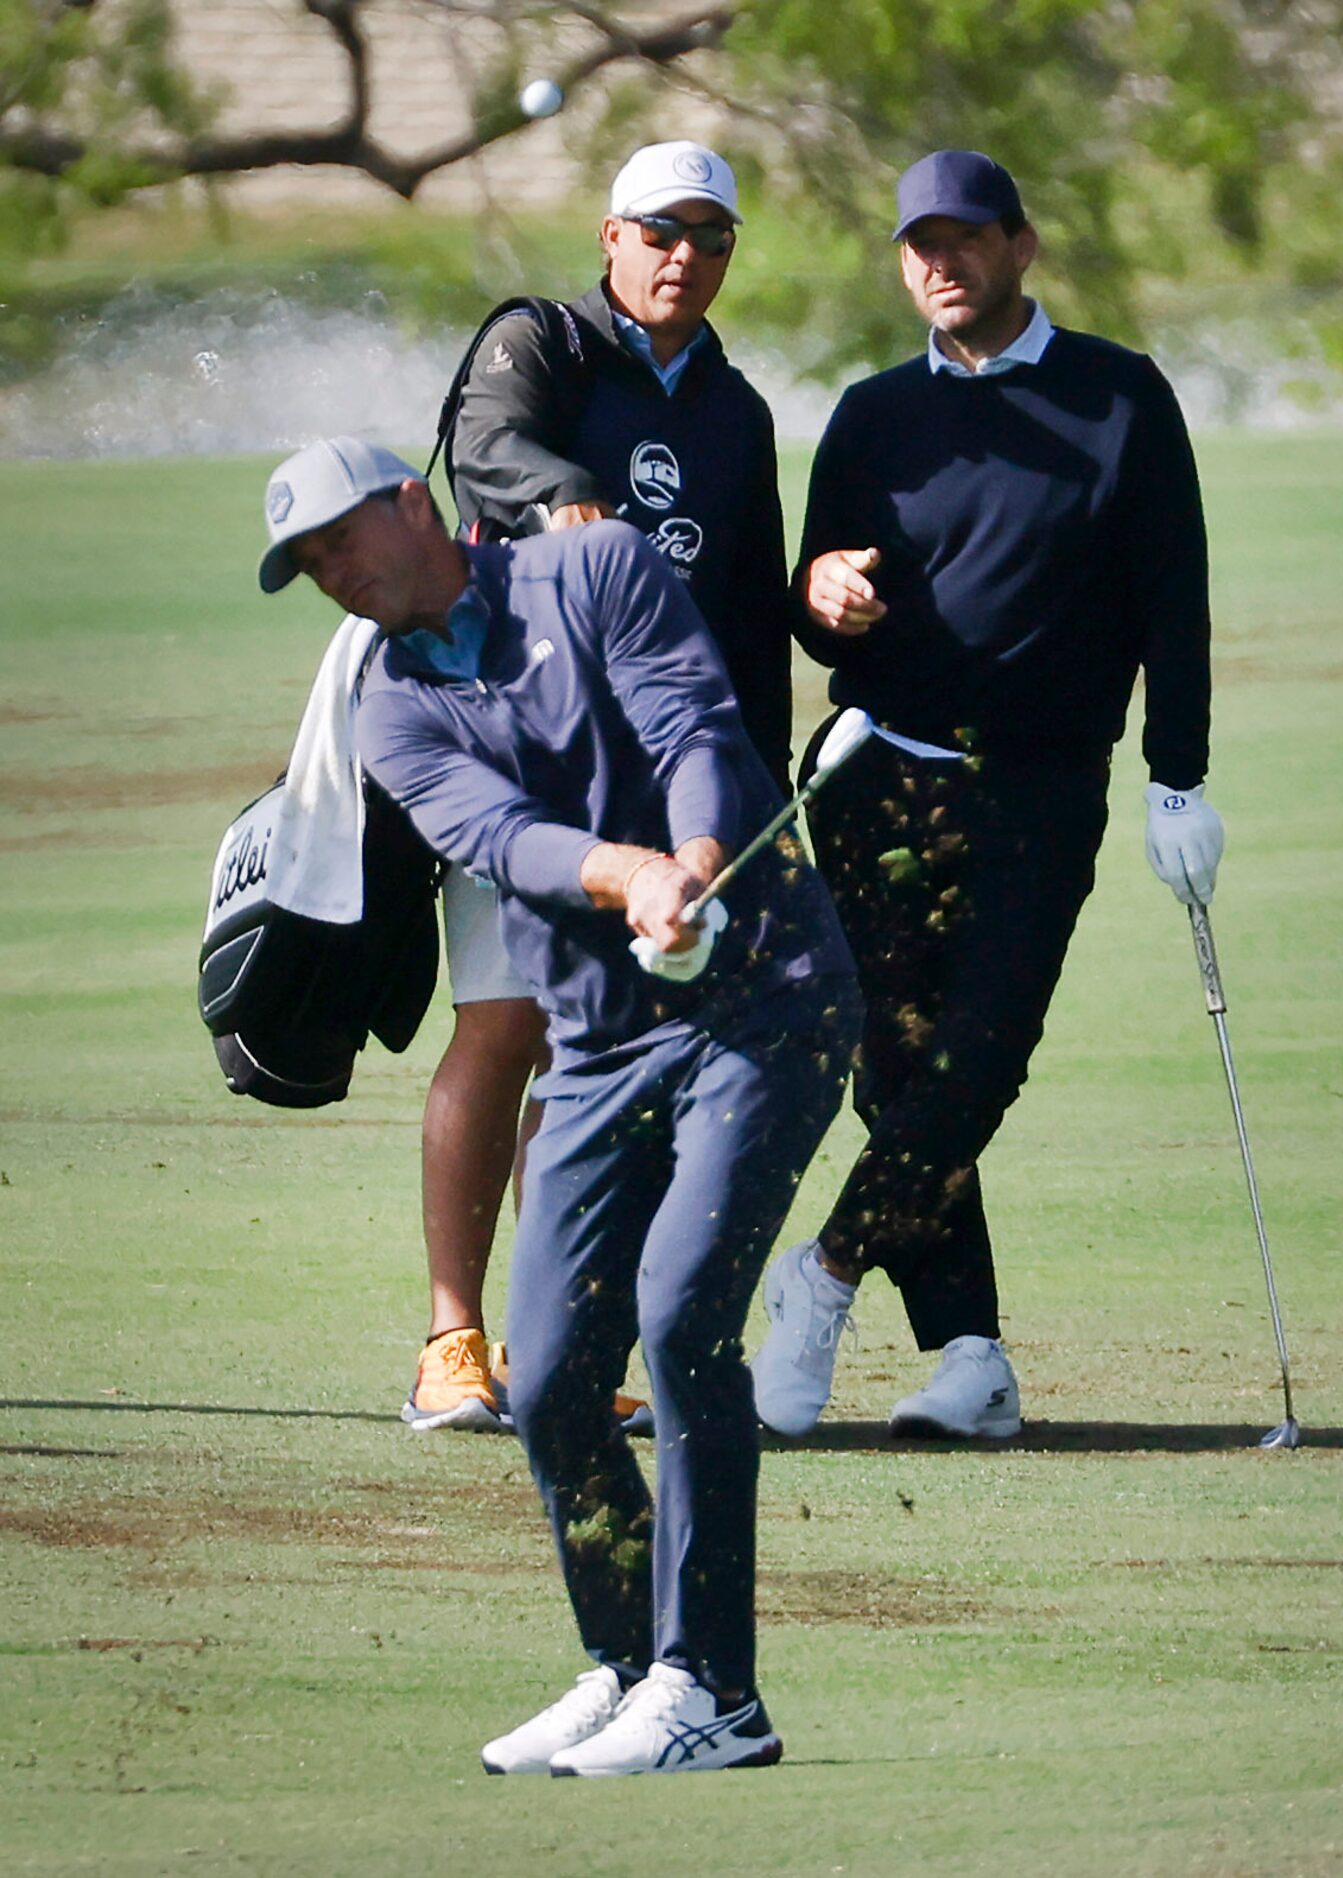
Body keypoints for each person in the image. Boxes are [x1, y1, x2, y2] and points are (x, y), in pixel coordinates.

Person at [258, 436, 859, 1775]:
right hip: (600, 1043)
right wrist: (628, 872)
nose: (336, 580)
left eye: (343, 543)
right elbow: (500, 841)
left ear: (414, 503)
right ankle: (629, 1657)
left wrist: (697, 857)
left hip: (767, 997)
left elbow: (694, 726)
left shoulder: (592, 565)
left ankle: (714, 1689)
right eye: (311, 570)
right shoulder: (388, 705)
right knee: (549, 1364)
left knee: (681, 1311)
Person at [749, 149, 1225, 1441]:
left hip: (1038, 790)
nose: (937, 265)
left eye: (963, 240)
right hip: (877, 781)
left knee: (978, 1062)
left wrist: (1174, 773)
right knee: (894, 1070)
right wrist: (821, 595)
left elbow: (1169, 599)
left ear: (1020, 246)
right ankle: (969, 1356)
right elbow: (822, 609)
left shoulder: (1117, 397)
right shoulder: (869, 413)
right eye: (917, 246)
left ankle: (822, 1274)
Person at [407, 140, 797, 1433]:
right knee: (505, 1025)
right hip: (516, 748)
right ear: (610, 235)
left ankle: (549, 1345)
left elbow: (744, 611)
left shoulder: (733, 411)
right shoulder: (544, 344)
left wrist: (748, 790)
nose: (685, 254)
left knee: (598, 1060)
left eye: (711, 235)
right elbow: (485, 448)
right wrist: (574, 505)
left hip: (661, 787)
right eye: (660, 229)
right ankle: (451, 1340)